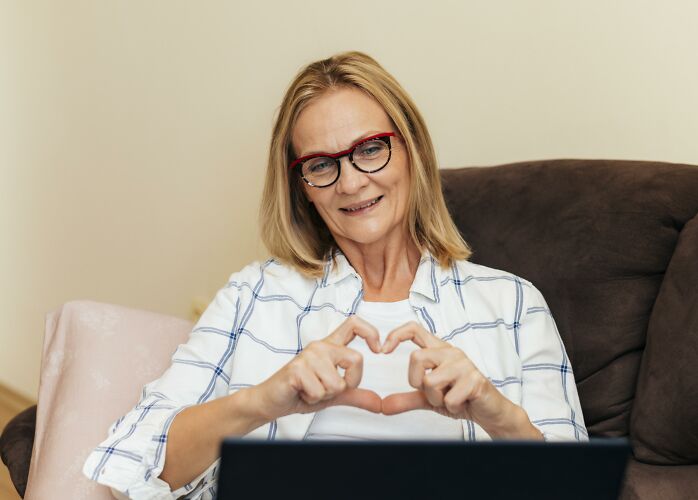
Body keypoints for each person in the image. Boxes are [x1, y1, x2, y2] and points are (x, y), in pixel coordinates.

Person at [83, 51, 587, 499]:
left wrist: (496, 413)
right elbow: (132, 466)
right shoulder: (255, 293)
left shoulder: (512, 305)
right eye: (321, 164)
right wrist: (264, 400)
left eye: (370, 149)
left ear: (412, 149)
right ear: (302, 186)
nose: (350, 183)